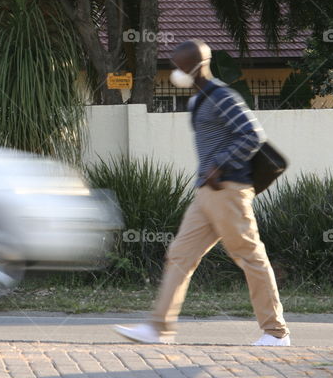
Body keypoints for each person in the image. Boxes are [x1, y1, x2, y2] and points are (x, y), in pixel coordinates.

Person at [114, 40, 290, 346]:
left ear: (198, 65)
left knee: (249, 256)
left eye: (181, 65)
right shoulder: (197, 101)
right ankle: (158, 328)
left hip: (230, 190)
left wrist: (221, 165)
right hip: (206, 193)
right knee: (179, 256)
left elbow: (252, 135)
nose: (176, 71)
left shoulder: (223, 97)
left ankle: (276, 333)